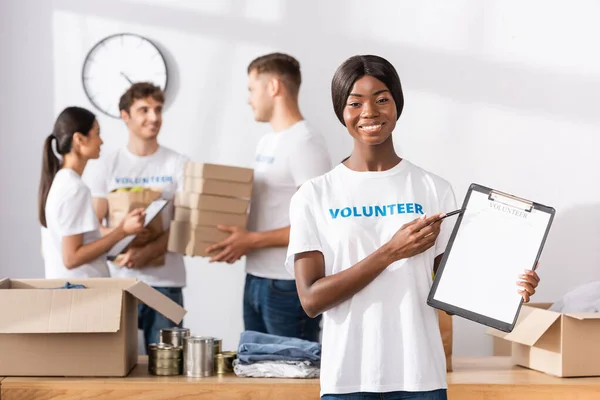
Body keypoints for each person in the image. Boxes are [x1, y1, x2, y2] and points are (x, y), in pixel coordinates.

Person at [286, 55, 541, 399]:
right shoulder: (314, 195)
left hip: (420, 377)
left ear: (397, 104)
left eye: (381, 99)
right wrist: (391, 252)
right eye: (355, 102)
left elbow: (454, 294)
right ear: (340, 111)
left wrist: (509, 285)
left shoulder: (433, 188)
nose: (370, 112)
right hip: (347, 379)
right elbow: (311, 300)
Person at [205, 53, 332, 342]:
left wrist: (249, 240)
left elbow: (316, 225)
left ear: (273, 87)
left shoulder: (306, 142)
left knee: (293, 378)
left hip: (287, 285)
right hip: (256, 278)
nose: (249, 98)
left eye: (252, 89)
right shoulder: (267, 141)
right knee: (258, 373)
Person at [83, 82, 189, 350]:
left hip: (166, 282)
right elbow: (94, 227)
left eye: (158, 110)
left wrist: (149, 251)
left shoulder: (178, 164)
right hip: (118, 282)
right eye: (144, 110)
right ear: (125, 115)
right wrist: (124, 239)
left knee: (167, 369)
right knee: (117, 366)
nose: (153, 118)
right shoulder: (105, 164)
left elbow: (187, 224)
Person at [39, 106, 146, 279]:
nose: (101, 141)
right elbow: (71, 258)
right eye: (97, 133)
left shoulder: (61, 182)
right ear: (79, 139)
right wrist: (122, 231)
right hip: (82, 293)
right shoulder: (74, 188)